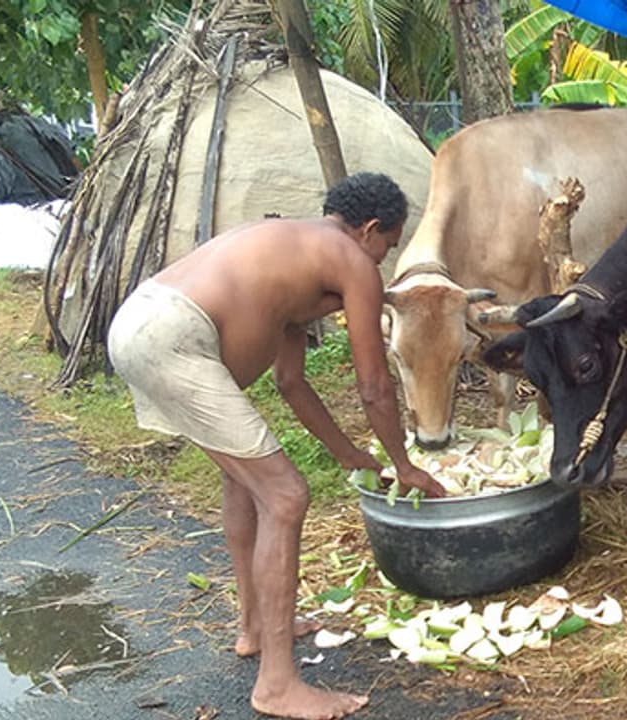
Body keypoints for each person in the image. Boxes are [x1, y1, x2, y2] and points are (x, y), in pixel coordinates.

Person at [108, 172, 444, 720]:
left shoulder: (297, 255)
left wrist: (348, 453)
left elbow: (292, 382)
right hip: (171, 335)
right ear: (371, 230)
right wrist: (404, 464)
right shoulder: (352, 261)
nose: (382, 262)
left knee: (245, 481)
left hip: (144, 320)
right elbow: (374, 386)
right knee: (285, 496)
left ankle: (255, 627)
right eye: (387, 247)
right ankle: (277, 686)